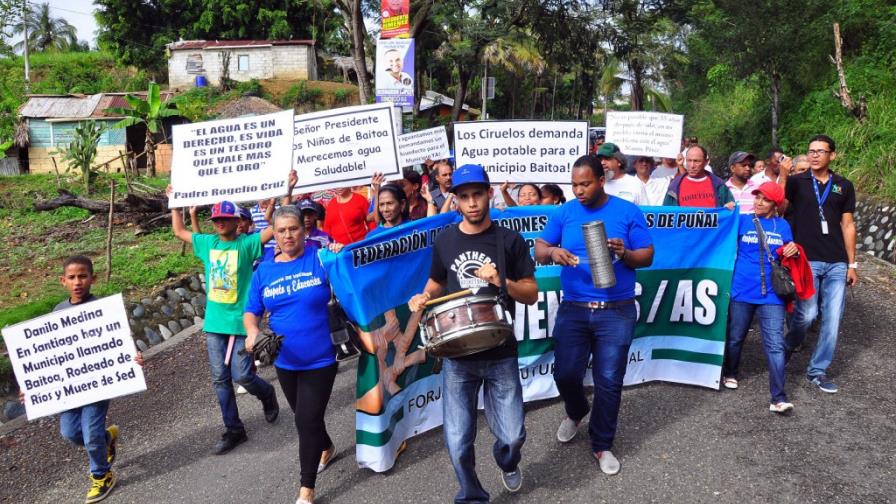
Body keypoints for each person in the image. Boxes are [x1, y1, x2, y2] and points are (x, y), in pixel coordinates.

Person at [408, 164, 538, 503]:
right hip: (458, 353)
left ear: (489, 194)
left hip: (500, 350)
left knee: (512, 436)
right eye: (463, 196)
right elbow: (437, 282)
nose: (472, 203)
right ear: (456, 200)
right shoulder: (446, 239)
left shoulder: (509, 241)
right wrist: (423, 296)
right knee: (457, 439)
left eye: (477, 194)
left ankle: (507, 460)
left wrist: (501, 282)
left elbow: (530, 293)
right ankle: (472, 495)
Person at [534, 154, 654, 476]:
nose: (578, 190)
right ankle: (575, 410)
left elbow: (647, 255)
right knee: (566, 374)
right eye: (574, 185)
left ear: (602, 180)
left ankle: (602, 444)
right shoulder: (566, 212)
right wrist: (552, 252)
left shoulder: (627, 211)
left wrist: (625, 253)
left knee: (609, 381)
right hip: (574, 308)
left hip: (617, 310)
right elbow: (539, 246)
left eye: (585, 184)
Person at [16, 256, 144, 503]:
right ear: (62, 281)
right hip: (68, 388)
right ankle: (107, 440)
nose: (78, 282)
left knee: (90, 435)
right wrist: (31, 385)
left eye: (83, 276)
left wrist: (134, 358)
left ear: (93, 279)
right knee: (70, 433)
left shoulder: (104, 309)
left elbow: (118, 342)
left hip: (97, 384)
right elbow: (49, 355)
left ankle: (101, 476)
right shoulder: (58, 312)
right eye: (72, 277)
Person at [168, 191, 280, 454]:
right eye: (216, 218)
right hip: (215, 323)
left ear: (234, 220)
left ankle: (266, 394)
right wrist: (174, 203)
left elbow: (275, 228)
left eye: (224, 218)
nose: (219, 222)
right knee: (220, 379)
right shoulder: (208, 243)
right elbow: (179, 230)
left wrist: (284, 195)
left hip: (243, 322)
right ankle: (234, 429)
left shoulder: (247, 244)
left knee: (242, 374)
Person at [244, 206, 343, 504]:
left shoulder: (321, 259)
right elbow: (251, 312)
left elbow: (352, 281)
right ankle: (326, 446)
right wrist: (252, 332)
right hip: (285, 361)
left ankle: (306, 490)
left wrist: (341, 254)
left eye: (294, 228)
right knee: (306, 418)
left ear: (304, 229)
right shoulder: (264, 270)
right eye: (282, 230)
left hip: (321, 358)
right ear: (273, 233)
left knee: (305, 421)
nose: (288, 235)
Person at [783, 134, 858, 393]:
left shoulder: (843, 185)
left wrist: (852, 264)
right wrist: (783, 175)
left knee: (833, 318)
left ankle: (817, 370)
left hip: (837, 261)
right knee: (808, 314)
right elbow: (781, 210)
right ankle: (789, 344)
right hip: (807, 259)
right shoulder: (796, 182)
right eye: (811, 151)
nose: (814, 155)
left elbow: (848, 225)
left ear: (832, 155)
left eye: (820, 151)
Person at [722, 182, 801, 414]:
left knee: (775, 344)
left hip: (773, 295)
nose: (758, 202)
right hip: (742, 289)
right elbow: (718, 232)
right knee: (736, 337)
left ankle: (778, 397)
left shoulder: (783, 226)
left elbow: (789, 254)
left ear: (775, 204)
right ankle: (731, 372)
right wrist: (725, 211)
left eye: (765, 199)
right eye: (757, 197)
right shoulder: (742, 220)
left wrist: (793, 249)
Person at [663, 145, 735, 209]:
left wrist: (730, 207)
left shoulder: (719, 185)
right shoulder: (674, 186)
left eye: (696, 161)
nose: (692, 165)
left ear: (706, 162)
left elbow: (730, 206)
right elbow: (665, 214)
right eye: (689, 161)